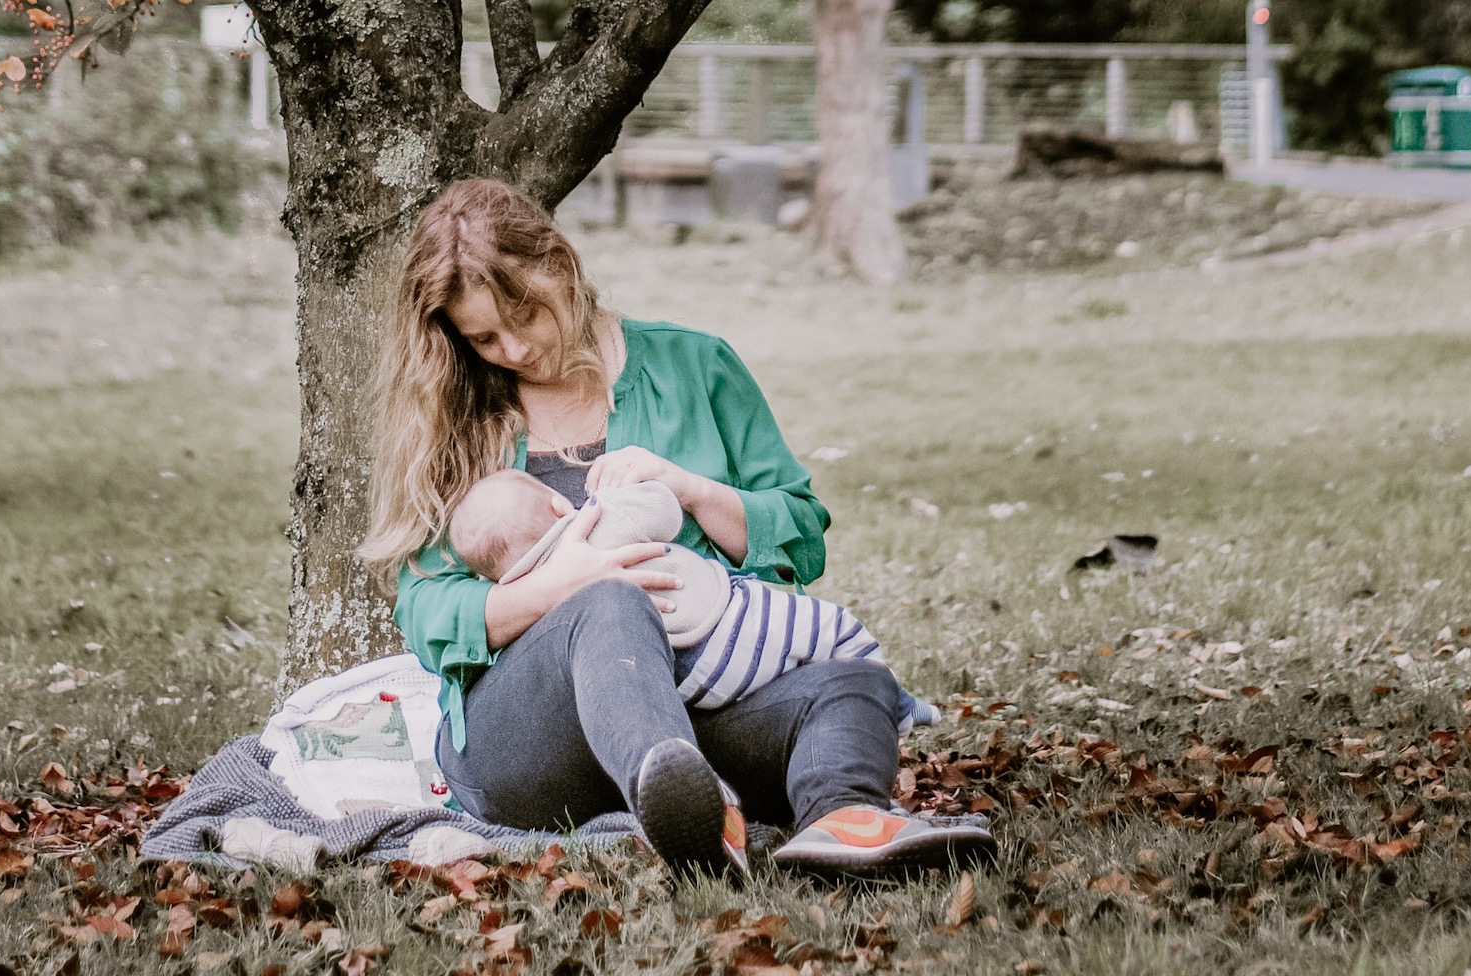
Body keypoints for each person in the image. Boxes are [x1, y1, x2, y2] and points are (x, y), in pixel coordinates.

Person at [361, 176, 996, 878]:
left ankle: (838, 818)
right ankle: (682, 800)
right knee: (608, 602)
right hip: (533, 743)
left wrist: (690, 489)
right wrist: (563, 589)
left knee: (852, 682)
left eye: (527, 315)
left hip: (708, 711)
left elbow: (801, 536)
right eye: (483, 337)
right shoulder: (456, 412)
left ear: (559, 265)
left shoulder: (697, 365)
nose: (513, 349)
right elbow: (424, 607)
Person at [447, 468, 940, 729]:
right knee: (836, 632)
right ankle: (893, 704)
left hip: (686, 683)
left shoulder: (520, 594)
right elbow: (663, 511)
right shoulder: (595, 522)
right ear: (559, 505)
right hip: (729, 626)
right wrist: (631, 491)